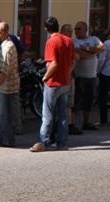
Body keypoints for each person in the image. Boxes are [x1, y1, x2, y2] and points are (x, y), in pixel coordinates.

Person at [30, 16, 75, 152]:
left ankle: (44, 142)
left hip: (53, 82)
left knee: (47, 114)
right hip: (65, 82)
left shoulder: (51, 41)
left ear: (46, 29)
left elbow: (53, 63)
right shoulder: (68, 40)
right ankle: (62, 143)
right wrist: (66, 72)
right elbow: (73, 61)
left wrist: (45, 77)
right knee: (62, 114)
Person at [0, 18, 26, 133]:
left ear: (4, 31)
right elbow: (24, 53)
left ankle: (6, 135)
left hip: (4, 83)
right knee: (14, 106)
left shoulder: (1, 45)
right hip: (13, 80)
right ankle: (16, 127)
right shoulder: (12, 39)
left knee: (1, 111)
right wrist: (17, 66)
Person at [0, 21, 20, 148]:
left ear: (6, 32)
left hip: (7, 86)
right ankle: (3, 137)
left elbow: (5, 70)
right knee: (0, 113)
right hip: (5, 84)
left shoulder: (7, 47)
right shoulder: (3, 45)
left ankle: (7, 140)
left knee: (3, 114)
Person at [72, 20, 104, 131]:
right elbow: (79, 54)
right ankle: (72, 123)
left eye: (78, 29)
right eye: (75, 29)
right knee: (76, 100)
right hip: (79, 76)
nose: (76, 31)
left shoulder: (94, 39)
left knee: (89, 100)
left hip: (92, 76)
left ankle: (86, 122)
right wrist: (93, 53)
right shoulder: (74, 41)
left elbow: (102, 48)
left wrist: (87, 49)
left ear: (85, 30)